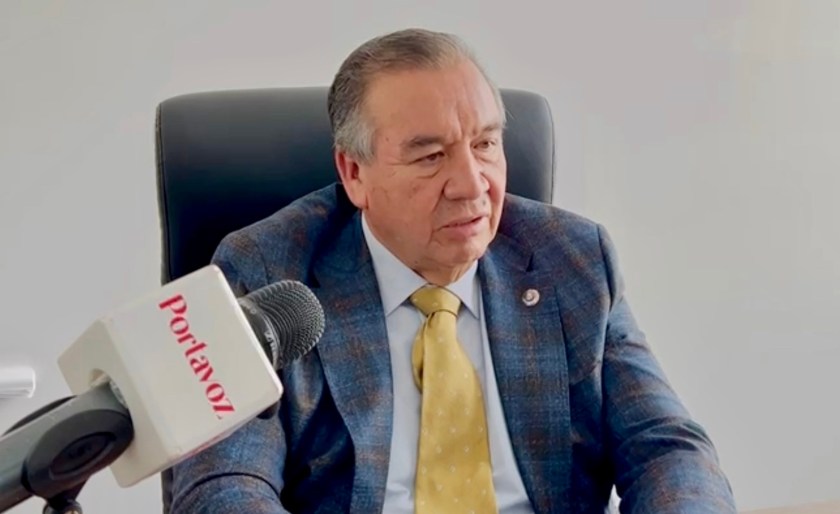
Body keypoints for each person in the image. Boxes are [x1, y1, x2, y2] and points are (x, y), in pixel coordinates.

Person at [168, 28, 736, 513]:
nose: (471, 185)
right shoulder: (269, 272)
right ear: (355, 173)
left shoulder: (573, 258)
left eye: (485, 144)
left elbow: (666, 448)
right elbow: (225, 481)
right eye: (430, 155)